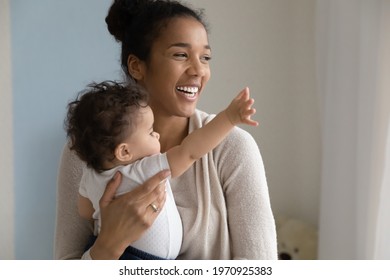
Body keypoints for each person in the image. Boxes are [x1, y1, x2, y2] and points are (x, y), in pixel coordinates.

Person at [54, 0, 278, 260]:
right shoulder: (85, 150)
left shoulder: (232, 147)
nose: (198, 71)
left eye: (205, 57)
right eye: (180, 55)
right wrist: (109, 244)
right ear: (137, 66)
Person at [65, 80, 258, 260]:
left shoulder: (89, 175)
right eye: (150, 132)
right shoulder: (145, 169)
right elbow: (190, 151)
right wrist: (229, 118)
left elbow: (85, 211)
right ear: (125, 151)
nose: (156, 134)